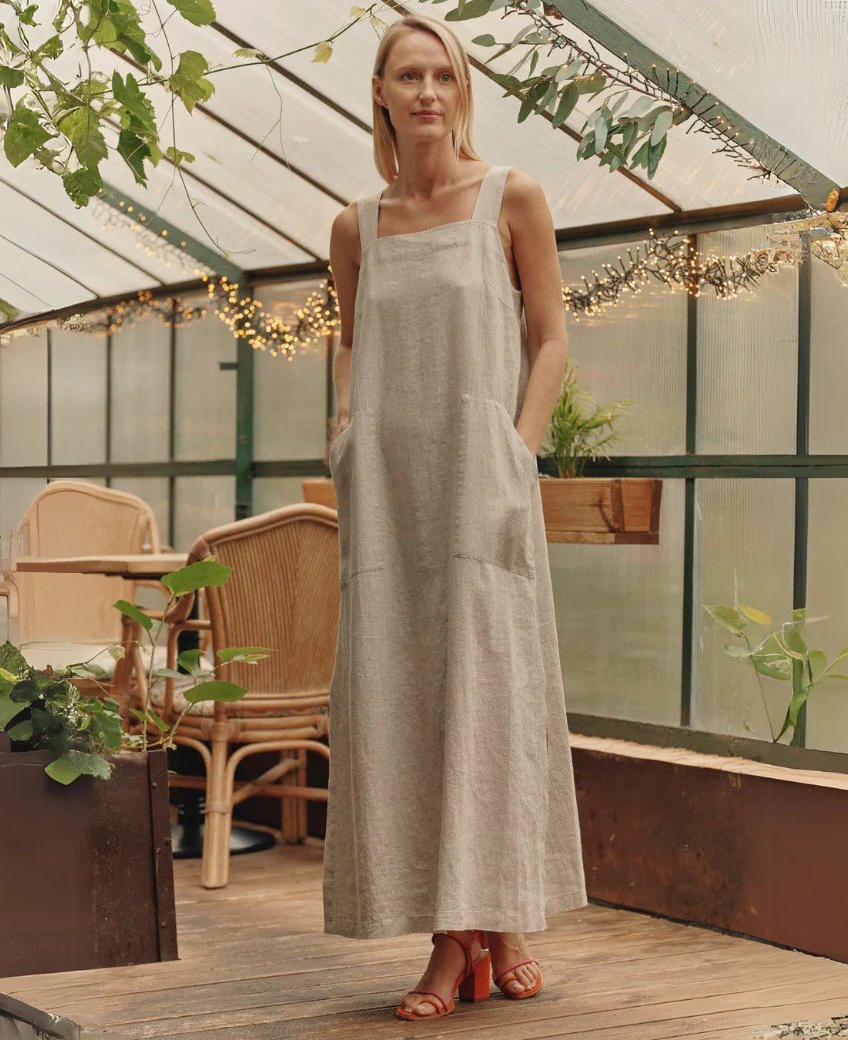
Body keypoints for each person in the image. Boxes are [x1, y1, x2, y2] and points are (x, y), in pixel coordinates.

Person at [324, 12, 588, 1022]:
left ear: (460, 87)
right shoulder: (358, 224)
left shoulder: (510, 197)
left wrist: (517, 446)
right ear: (381, 93)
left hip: (482, 481)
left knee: (490, 691)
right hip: (390, 491)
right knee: (402, 699)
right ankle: (465, 931)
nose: (427, 92)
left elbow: (549, 336)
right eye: (408, 76)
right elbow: (348, 339)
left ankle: (480, 929)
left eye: (443, 74)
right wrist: (345, 426)